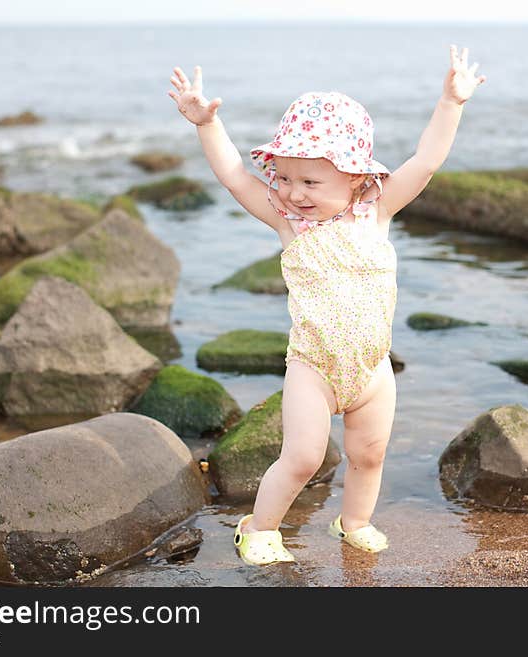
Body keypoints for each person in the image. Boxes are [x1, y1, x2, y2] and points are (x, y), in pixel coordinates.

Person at [169, 45, 485, 566]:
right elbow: (233, 175)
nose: (294, 193)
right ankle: (259, 525)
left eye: (311, 181)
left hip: (371, 368)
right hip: (313, 367)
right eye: (286, 178)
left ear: (356, 177)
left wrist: (451, 101)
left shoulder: (378, 210)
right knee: (303, 456)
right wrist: (205, 124)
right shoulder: (287, 223)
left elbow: (426, 160)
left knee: (369, 454)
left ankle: (354, 520)